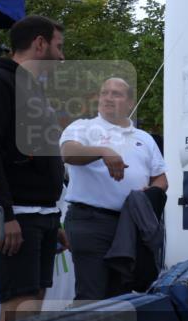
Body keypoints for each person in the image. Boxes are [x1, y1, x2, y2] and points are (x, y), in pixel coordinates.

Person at [0, 16, 67, 321]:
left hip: (43, 214)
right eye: (58, 47)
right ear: (39, 43)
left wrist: (53, 216)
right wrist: (5, 214)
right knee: (19, 307)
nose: (62, 57)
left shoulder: (33, 89)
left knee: (33, 308)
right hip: (17, 216)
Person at [60, 77, 168, 301]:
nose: (108, 98)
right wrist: (103, 151)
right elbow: (68, 153)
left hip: (131, 225)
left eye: (116, 94)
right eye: (104, 93)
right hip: (91, 222)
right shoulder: (82, 127)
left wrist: (149, 194)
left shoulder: (144, 138)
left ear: (130, 103)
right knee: (92, 296)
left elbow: (161, 179)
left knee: (121, 296)